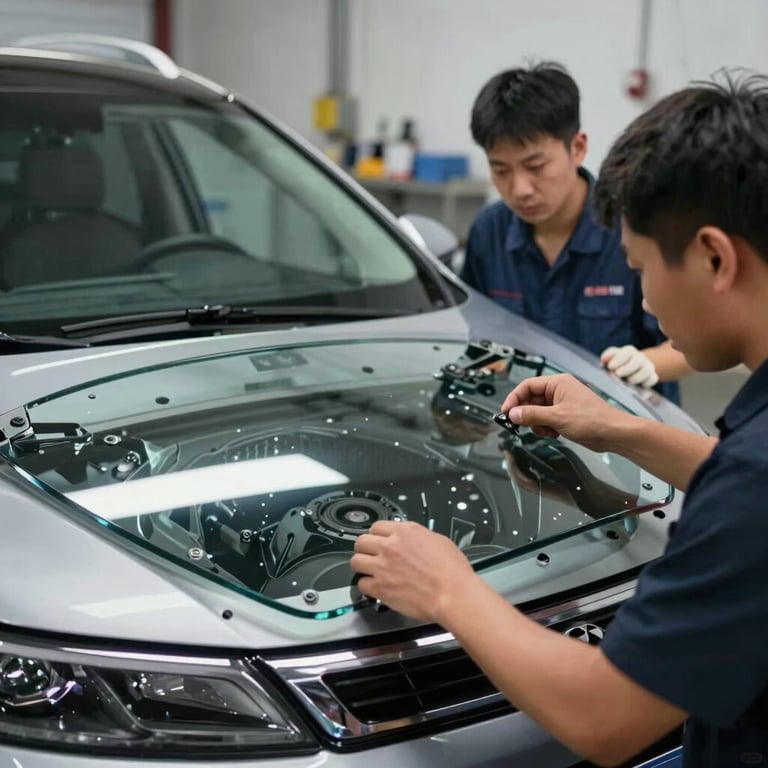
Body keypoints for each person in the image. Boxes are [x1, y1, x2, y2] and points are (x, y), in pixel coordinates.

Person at [351, 72, 768, 767]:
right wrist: (615, 427)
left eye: (640, 270)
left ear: (715, 257)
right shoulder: (751, 464)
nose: (646, 300)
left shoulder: (752, 484)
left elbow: (606, 718)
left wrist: (448, 586)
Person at [460, 63, 691, 403]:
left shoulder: (634, 229)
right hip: (522, 424)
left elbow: (689, 344)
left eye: (536, 166)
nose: (520, 189)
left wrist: (647, 362)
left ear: (578, 148)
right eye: (501, 170)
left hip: (622, 427)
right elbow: (475, 336)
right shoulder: (489, 231)